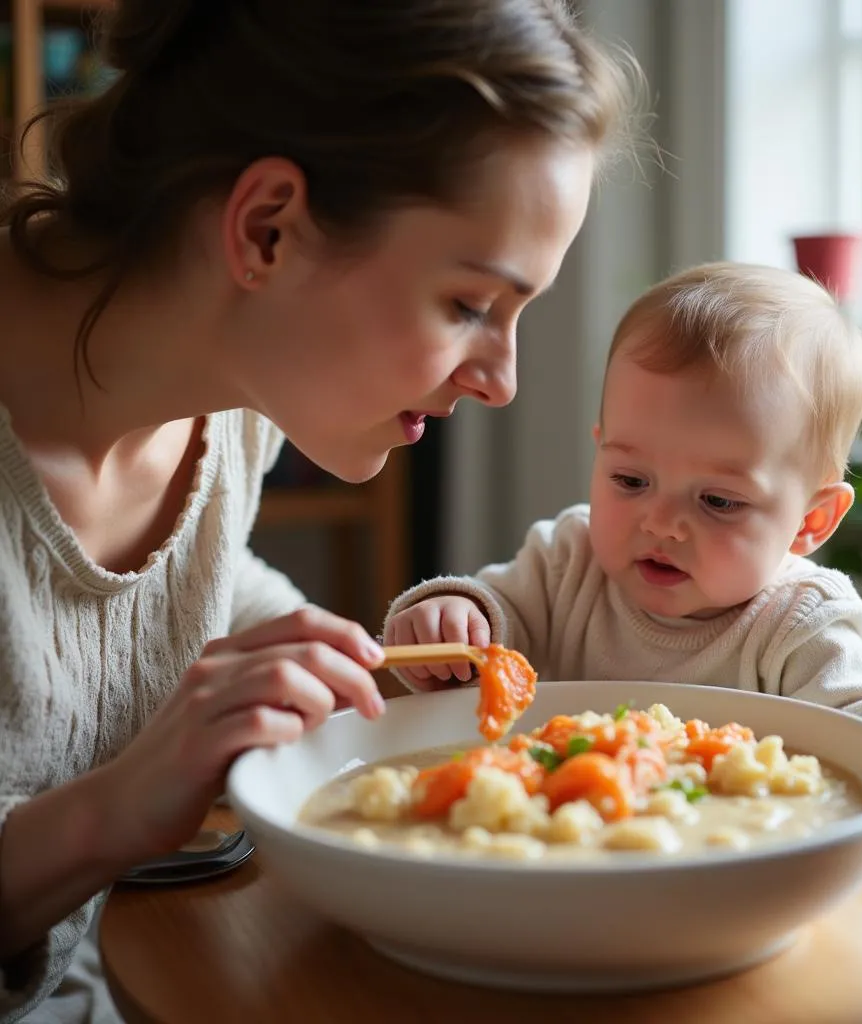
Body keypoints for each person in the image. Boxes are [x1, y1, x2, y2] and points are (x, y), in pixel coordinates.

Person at [0, 0, 639, 1019]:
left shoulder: (231, 405)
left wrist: (338, 656)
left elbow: (193, 584)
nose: (502, 380)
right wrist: (114, 810)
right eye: (471, 304)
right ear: (268, 229)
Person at [384, 261, 862, 877]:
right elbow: (489, 626)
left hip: (733, 880)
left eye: (718, 501)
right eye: (630, 480)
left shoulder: (800, 621)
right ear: (600, 447)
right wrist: (453, 618)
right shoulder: (568, 559)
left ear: (810, 523)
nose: (660, 523)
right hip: (553, 871)